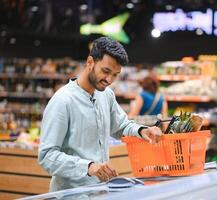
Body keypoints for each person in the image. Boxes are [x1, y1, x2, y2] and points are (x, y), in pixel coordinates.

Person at [38, 37, 162, 192]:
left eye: (115, 74)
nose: (109, 80)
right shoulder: (63, 101)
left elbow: (121, 126)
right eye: (106, 71)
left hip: (101, 192)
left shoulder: (106, 95)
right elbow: (47, 156)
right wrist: (88, 167)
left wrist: (142, 130)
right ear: (90, 62)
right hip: (71, 195)